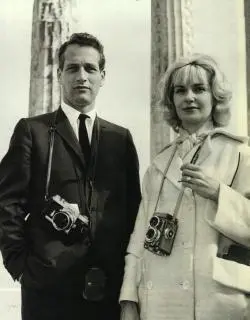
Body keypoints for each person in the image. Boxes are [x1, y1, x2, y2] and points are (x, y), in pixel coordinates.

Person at [0, 32, 141, 320]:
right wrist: (20, 266)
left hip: (107, 290)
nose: (82, 76)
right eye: (72, 68)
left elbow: (134, 212)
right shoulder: (33, 131)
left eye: (90, 68)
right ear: (60, 75)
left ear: (102, 76)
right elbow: (6, 204)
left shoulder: (120, 138)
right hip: (47, 291)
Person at [119, 54, 250, 320]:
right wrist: (129, 299)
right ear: (172, 101)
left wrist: (218, 193)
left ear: (215, 98)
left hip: (219, 303)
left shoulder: (239, 153)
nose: (189, 97)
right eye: (180, 91)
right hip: (161, 302)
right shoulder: (159, 164)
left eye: (199, 89)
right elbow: (139, 235)